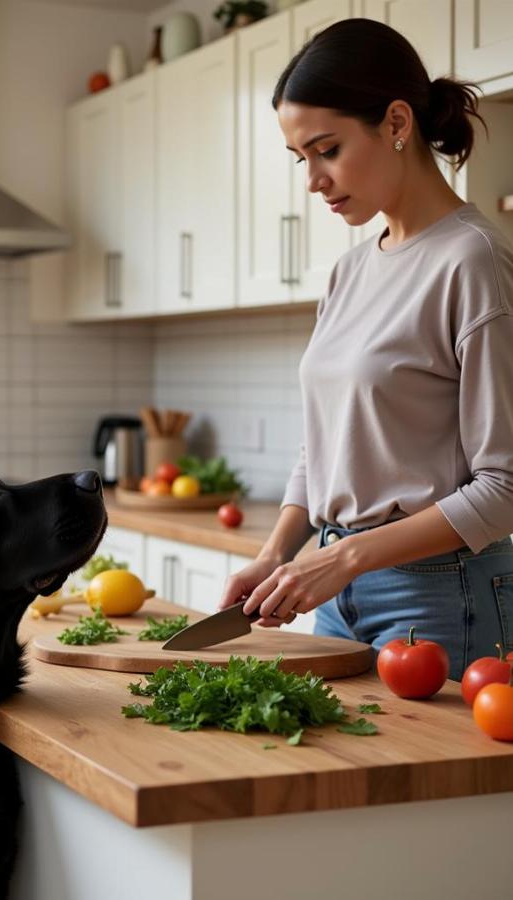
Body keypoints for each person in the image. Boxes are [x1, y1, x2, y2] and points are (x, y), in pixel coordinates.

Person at [217, 18, 513, 681]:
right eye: (301, 159)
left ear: (397, 123)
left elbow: (505, 489)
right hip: (332, 589)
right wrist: (277, 555)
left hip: (440, 596)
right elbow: (321, 447)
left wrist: (348, 558)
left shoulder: (473, 261)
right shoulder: (349, 272)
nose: (313, 181)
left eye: (326, 149)